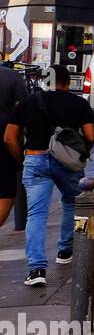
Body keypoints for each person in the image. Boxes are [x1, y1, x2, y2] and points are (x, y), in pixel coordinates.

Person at [4, 67, 94, 288]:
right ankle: (65, 250)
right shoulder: (79, 104)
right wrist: (79, 154)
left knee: (36, 213)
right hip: (68, 162)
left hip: (35, 159)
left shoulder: (27, 103)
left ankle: (36, 269)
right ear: (67, 81)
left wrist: (23, 159)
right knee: (72, 202)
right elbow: (91, 136)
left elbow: (9, 138)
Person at [0, 62, 29, 228]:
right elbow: (24, 109)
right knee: (5, 193)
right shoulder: (12, 77)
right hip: (3, 142)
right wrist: (20, 159)